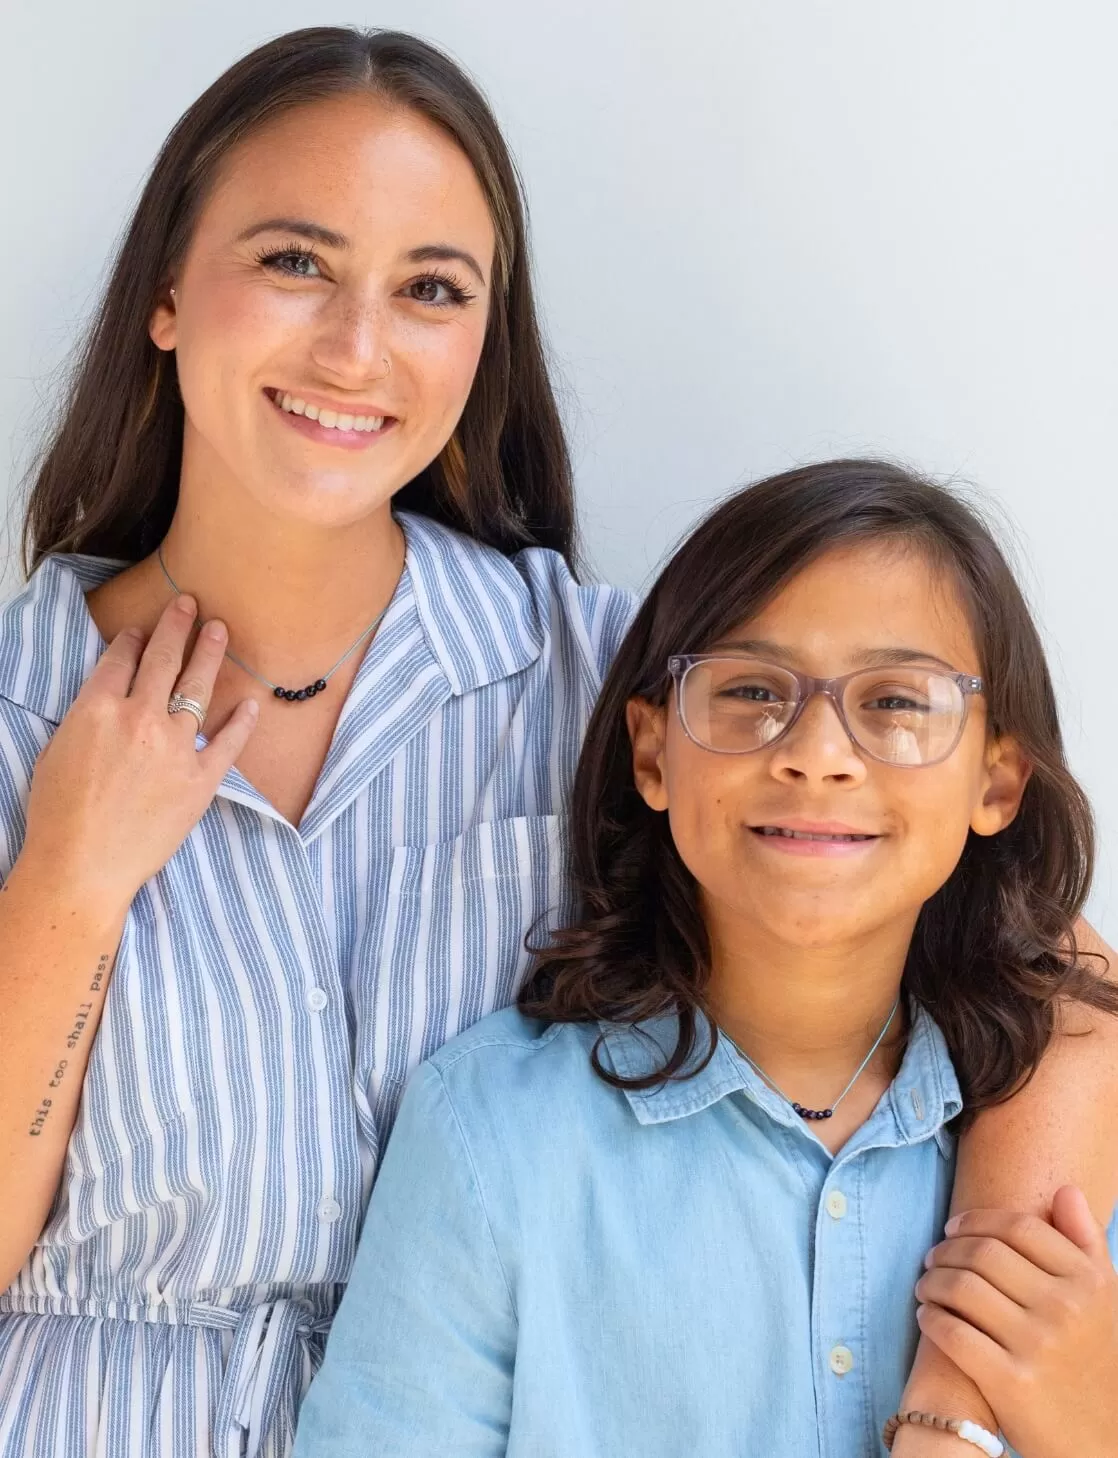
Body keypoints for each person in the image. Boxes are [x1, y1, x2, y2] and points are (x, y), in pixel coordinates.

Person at [0, 25, 1113, 1458]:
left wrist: (960, 1412)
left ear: (483, 339)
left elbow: (1043, 971)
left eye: (430, 288)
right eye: (292, 261)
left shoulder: (604, 678)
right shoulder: (24, 705)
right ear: (163, 289)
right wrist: (74, 882)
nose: (355, 344)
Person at [294, 461, 1118, 1458]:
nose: (816, 752)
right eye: (750, 690)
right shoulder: (491, 1134)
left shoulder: (1069, 1157)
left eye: (897, 702)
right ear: (650, 756)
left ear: (997, 780)